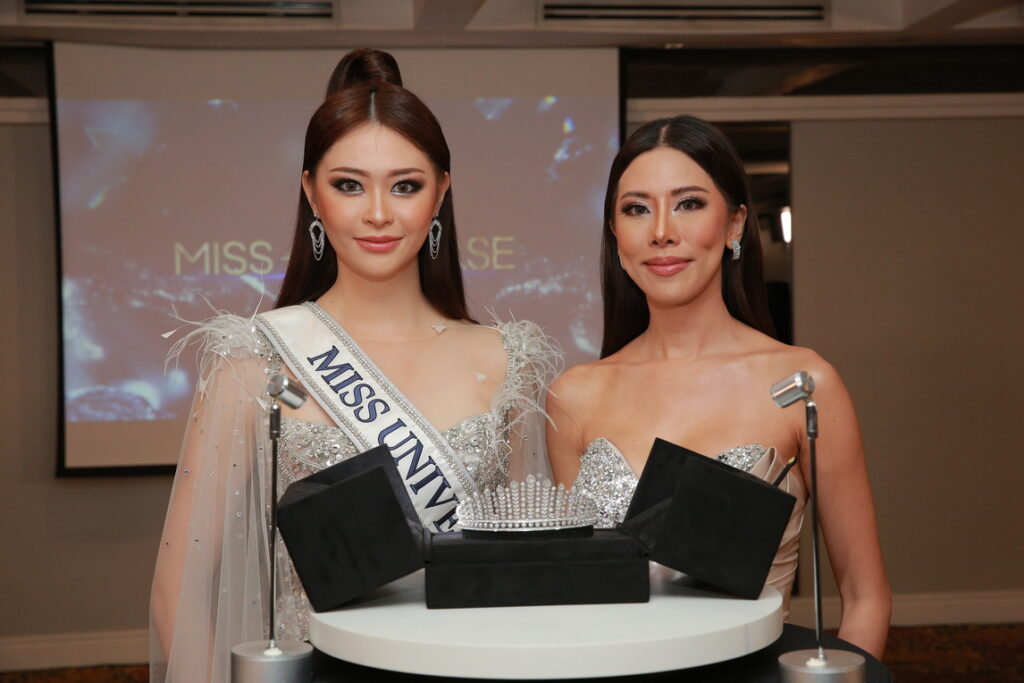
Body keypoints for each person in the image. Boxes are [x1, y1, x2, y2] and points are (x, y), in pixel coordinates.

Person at [150, 49, 558, 682]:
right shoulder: (255, 362)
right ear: (311, 192)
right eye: (349, 185)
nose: (377, 213)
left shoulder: (508, 361)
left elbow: (532, 571)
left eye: (405, 185)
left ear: (441, 192)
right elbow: (182, 590)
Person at [547, 115, 891, 659]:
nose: (662, 231)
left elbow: (866, 597)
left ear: (734, 225)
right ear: (615, 234)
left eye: (688, 203)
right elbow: (579, 591)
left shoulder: (802, 384)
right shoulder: (574, 395)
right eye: (637, 209)